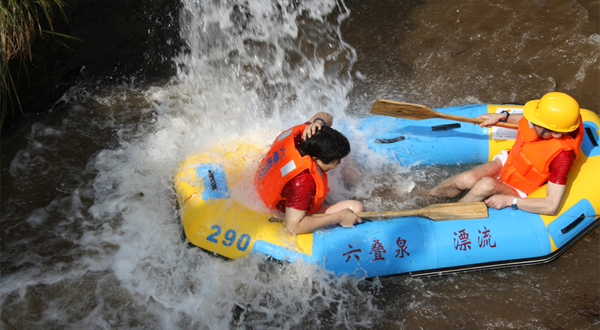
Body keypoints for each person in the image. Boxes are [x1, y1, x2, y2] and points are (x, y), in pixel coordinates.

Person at [428, 92, 585, 215]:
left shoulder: (562, 157)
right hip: (510, 162)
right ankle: (428, 195)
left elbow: (551, 205)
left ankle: (448, 215)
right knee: (466, 178)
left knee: (485, 185)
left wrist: (511, 200)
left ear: (556, 133)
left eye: (536, 123)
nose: (531, 123)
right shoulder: (549, 123)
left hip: (523, 188)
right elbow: (526, 119)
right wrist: (502, 116)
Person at [255, 112, 365, 234]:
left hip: (268, 180)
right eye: (336, 161)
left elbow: (325, 115)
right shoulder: (303, 182)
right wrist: (338, 217)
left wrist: (317, 122)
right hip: (287, 206)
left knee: (345, 158)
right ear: (315, 159)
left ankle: (365, 184)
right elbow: (293, 227)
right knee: (356, 208)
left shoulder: (306, 135)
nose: (339, 163)